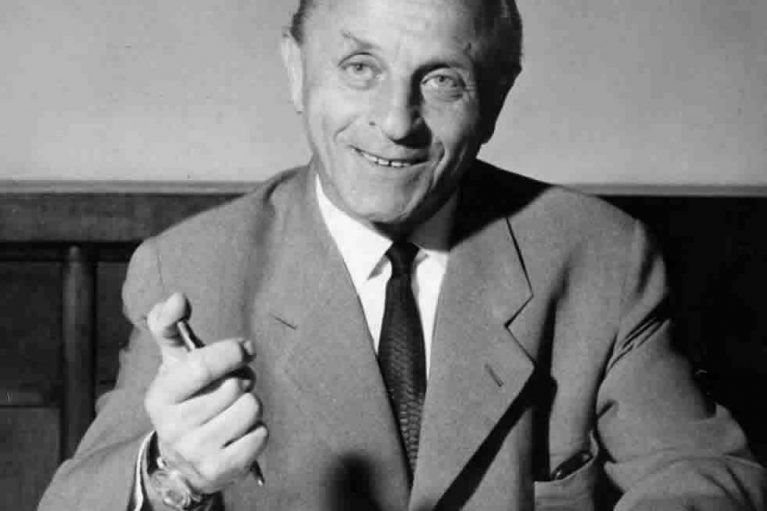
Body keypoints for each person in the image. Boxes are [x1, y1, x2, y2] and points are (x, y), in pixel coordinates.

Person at [39, 0, 766, 509]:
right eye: (360, 67)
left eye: (442, 79)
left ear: (497, 94)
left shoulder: (601, 256)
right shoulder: (191, 270)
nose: (395, 122)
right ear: (295, 71)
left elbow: (699, 469)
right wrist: (169, 474)